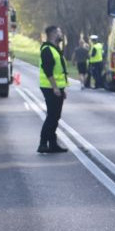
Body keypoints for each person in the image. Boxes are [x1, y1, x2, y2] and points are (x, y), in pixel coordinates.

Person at [38, 25, 69, 153]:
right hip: (50, 87)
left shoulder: (54, 49)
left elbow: (60, 70)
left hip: (56, 87)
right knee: (52, 116)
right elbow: (48, 70)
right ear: (52, 34)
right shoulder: (47, 50)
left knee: (55, 116)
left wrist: (62, 89)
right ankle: (43, 143)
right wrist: (56, 88)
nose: (61, 34)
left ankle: (52, 144)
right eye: (59, 32)